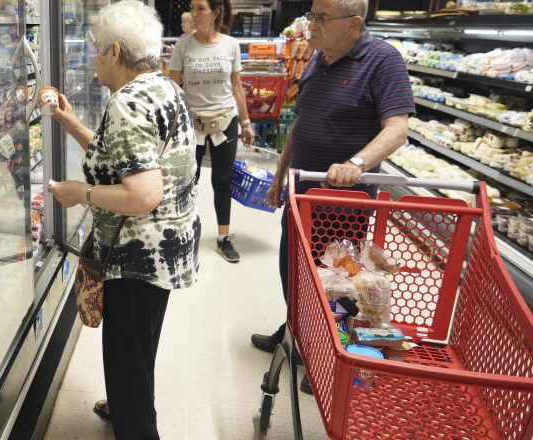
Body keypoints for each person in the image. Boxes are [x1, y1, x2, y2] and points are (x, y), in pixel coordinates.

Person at [48, 1, 201, 438]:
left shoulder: (126, 103)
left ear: (114, 53)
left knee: (125, 358)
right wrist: (71, 122)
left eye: (97, 49)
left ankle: (136, 424)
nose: (94, 56)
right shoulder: (161, 87)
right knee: (139, 348)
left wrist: (80, 194)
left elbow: (141, 194)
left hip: (137, 256)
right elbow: (130, 159)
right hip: (169, 247)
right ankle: (126, 404)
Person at [249, 0, 413, 394]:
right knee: (293, 268)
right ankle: (295, 330)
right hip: (302, 194)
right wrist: (280, 176)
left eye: (322, 18)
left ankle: (328, 350)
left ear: (354, 24)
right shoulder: (318, 60)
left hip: (344, 203)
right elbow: (299, 125)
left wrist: (356, 162)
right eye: (312, 15)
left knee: (337, 283)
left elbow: (397, 128)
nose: (311, 24)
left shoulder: (383, 60)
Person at [168, 0, 254, 264]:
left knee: (222, 181)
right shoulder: (183, 46)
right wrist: (170, 125)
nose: (194, 13)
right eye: (192, 8)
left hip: (225, 120)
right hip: (192, 123)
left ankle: (223, 238)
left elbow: (237, 88)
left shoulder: (230, 45)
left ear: (215, 13)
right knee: (187, 181)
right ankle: (183, 234)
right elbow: (173, 87)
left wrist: (246, 122)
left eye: (200, 8)